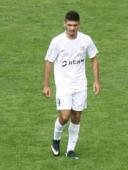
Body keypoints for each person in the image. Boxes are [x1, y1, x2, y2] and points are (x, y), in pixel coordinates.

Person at [43, 10, 100, 160]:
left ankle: (70, 150)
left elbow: (94, 59)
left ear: (79, 24)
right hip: (63, 86)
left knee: (76, 116)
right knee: (65, 115)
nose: (72, 28)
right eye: (69, 25)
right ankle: (56, 139)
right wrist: (46, 85)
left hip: (80, 85)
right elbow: (48, 62)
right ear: (64, 24)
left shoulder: (86, 40)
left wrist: (96, 81)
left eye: (75, 25)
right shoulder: (57, 41)